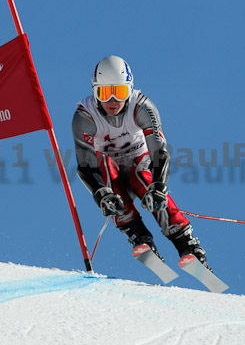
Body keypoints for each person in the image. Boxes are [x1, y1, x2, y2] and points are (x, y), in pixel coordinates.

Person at [72, 55, 210, 269]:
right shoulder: (85, 115)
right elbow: (85, 163)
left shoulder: (142, 106)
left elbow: (160, 151)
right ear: (95, 90)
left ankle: (185, 242)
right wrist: (101, 193)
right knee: (109, 180)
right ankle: (138, 234)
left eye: (119, 92)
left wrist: (159, 186)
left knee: (146, 183)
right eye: (104, 92)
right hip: (108, 167)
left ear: (130, 89)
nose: (112, 100)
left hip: (139, 159)